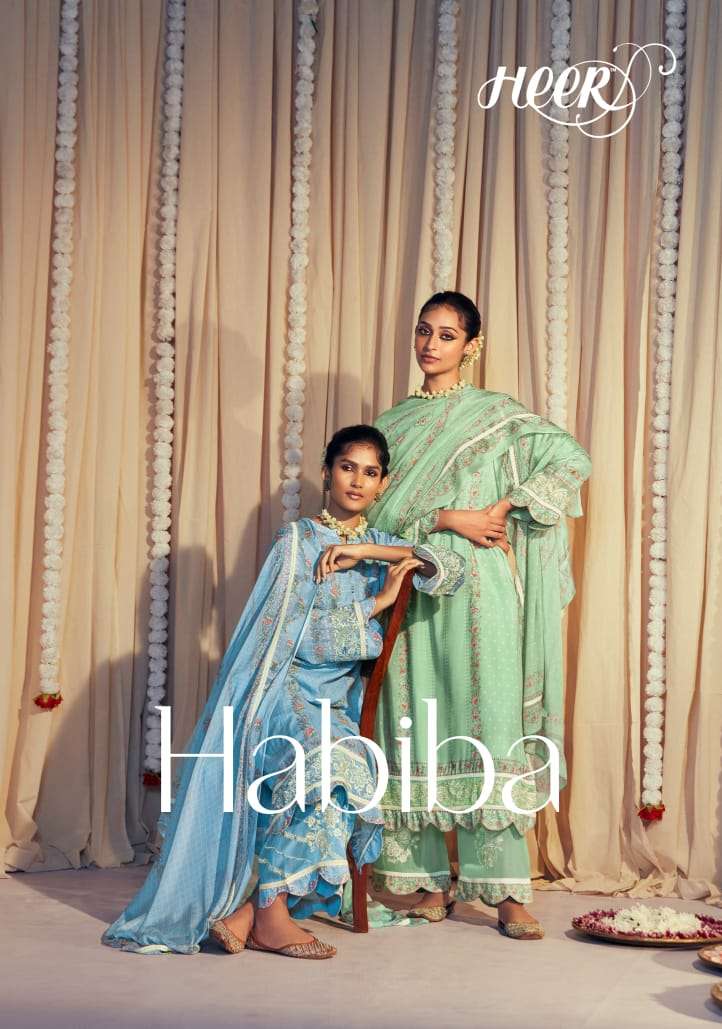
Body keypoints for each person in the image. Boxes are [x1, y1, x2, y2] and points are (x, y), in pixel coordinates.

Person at [101, 424, 464, 958]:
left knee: (346, 772)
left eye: (370, 473)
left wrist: (369, 550)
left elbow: (451, 570)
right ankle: (269, 916)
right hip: (281, 693)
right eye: (347, 467)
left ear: (383, 484)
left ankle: (255, 914)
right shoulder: (296, 542)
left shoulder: (384, 546)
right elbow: (299, 641)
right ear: (326, 472)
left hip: (333, 703)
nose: (357, 481)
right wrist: (376, 604)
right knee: (332, 768)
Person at [368, 291, 592, 940]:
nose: (431, 344)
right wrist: (449, 517)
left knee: (488, 722)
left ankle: (504, 891)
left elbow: (570, 459)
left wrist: (506, 505)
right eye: (424, 331)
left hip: (484, 593)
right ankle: (425, 881)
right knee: (415, 724)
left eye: (447, 334)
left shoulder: (497, 416)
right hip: (414, 584)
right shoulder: (391, 424)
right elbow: (372, 511)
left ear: (472, 346)